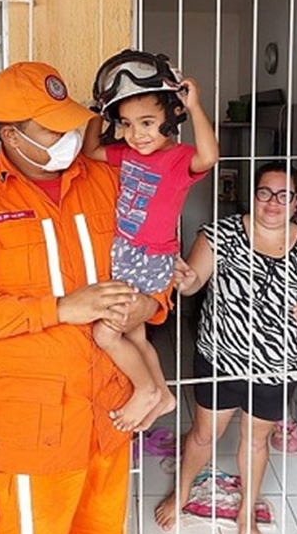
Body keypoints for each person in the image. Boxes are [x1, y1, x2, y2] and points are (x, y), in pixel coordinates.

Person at [0, 62, 172, 534]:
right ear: (11, 135)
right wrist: (59, 308)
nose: (68, 136)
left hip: (108, 419)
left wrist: (151, 303)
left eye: (70, 123)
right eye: (52, 128)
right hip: (32, 439)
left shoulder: (104, 178)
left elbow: (153, 258)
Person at [152, 161, 297, 534]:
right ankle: (182, 493)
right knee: (205, 434)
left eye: (283, 195)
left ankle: (245, 515)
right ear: (253, 195)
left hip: (278, 364)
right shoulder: (220, 234)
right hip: (222, 358)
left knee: (256, 441)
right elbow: (192, 285)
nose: (273, 202)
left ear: (296, 202)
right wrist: (183, 277)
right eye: (265, 192)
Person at [84, 49, 219, 431]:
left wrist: (195, 107)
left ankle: (145, 390)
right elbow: (92, 150)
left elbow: (209, 157)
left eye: (147, 122)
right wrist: (99, 112)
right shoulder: (126, 152)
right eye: (127, 124)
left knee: (105, 332)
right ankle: (163, 394)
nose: (137, 134)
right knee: (136, 335)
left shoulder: (178, 159)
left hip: (151, 259)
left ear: (169, 119)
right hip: (126, 256)